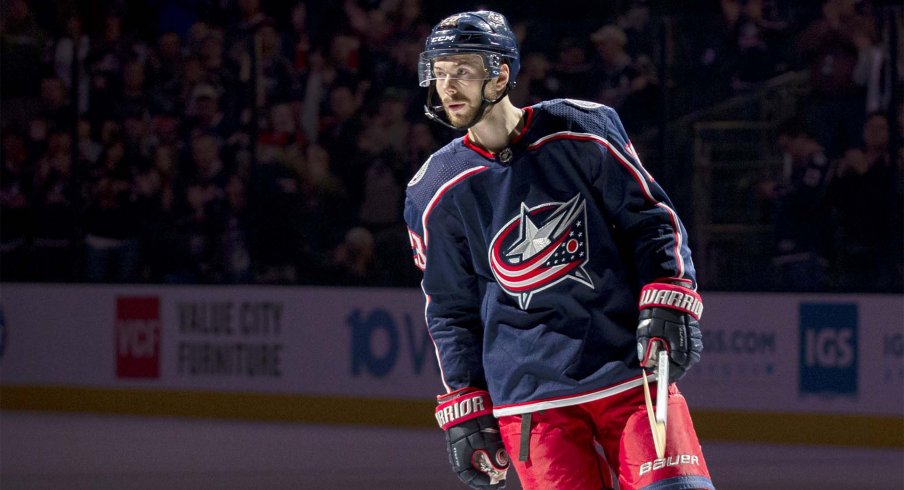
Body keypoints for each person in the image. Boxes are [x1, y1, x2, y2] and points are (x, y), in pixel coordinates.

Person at [403, 10, 713, 490]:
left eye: (462, 70)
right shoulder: (433, 190)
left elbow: (650, 219)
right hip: (530, 402)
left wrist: (669, 289)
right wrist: (464, 401)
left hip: (627, 374)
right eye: (440, 73)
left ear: (500, 73)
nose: (448, 86)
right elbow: (449, 309)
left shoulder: (582, 128)